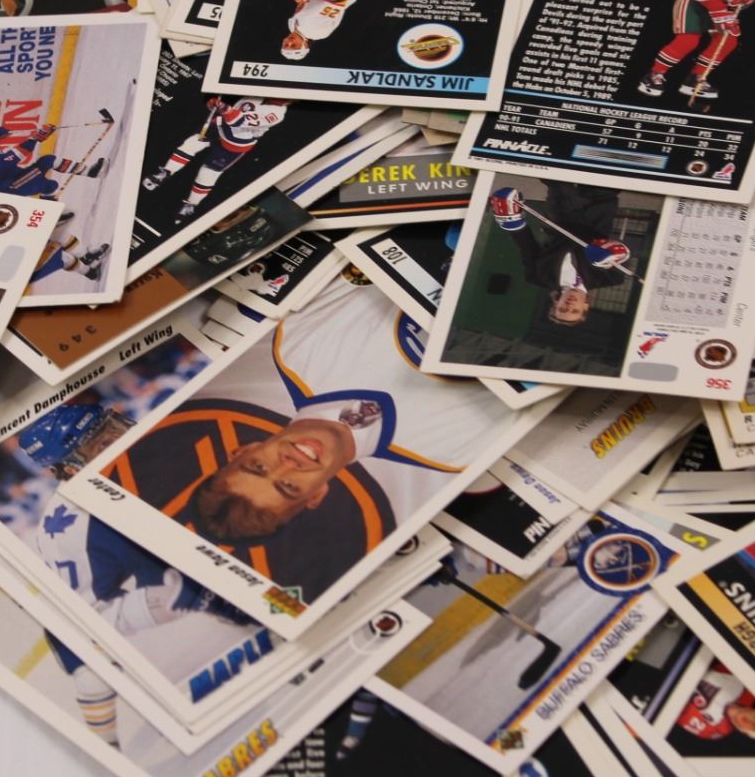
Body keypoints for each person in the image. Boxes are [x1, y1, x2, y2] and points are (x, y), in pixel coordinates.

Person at [145, 281, 504, 546]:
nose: (288, 465)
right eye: (288, 487)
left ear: (245, 450)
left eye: (258, 467)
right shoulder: (454, 454)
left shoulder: (295, 342)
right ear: (316, 496)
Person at [488, 182, 633, 326]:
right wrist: (612, 253)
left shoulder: (539, 277)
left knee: (561, 180)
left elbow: (527, 247)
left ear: (556, 303)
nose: (569, 306)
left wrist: (512, 223)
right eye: (575, 311)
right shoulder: (610, 279)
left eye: (562, 309)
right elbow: (623, 253)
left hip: (562, 216)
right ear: (585, 307)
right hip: (600, 209)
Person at [143, 97, 292, 218]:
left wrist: (222, 107)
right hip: (220, 125)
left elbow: (238, 121)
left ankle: (190, 204)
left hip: (235, 142)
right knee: (191, 143)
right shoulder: (258, 93)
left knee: (209, 172)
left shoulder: (276, 114)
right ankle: (164, 173)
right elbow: (229, 109)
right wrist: (214, 104)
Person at [676, 663, 755, 740]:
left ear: (746, 732)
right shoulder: (744, 688)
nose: (750, 721)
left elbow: (673, 712)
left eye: (753, 727)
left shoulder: (714, 730)